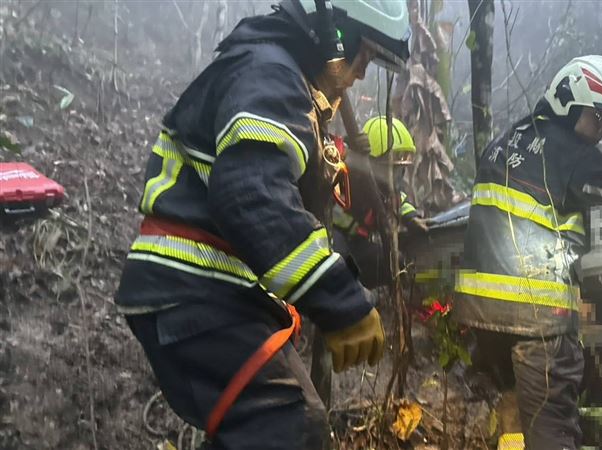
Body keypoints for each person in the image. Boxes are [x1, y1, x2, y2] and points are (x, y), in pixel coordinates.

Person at [113, 1, 410, 448]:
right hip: (198, 288)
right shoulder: (270, 74)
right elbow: (251, 197)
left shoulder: (273, 73)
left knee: (266, 430)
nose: (361, 74)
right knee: (289, 428)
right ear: (335, 35)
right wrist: (340, 301)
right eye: (362, 55)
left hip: (207, 292)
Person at [453, 55, 602, 450]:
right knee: (551, 429)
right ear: (569, 102)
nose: (601, 131)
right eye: (598, 119)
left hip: (482, 313)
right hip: (536, 316)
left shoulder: (506, 141)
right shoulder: (573, 154)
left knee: (513, 409)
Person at [331, 116, 427, 289]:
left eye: (401, 167)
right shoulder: (351, 176)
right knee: (339, 270)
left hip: (359, 243)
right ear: (374, 161)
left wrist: (411, 217)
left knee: (393, 262)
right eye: (394, 167)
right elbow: (338, 154)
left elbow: (398, 199)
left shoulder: (385, 189)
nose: (399, 174)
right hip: (334, 240)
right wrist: (351, 148)